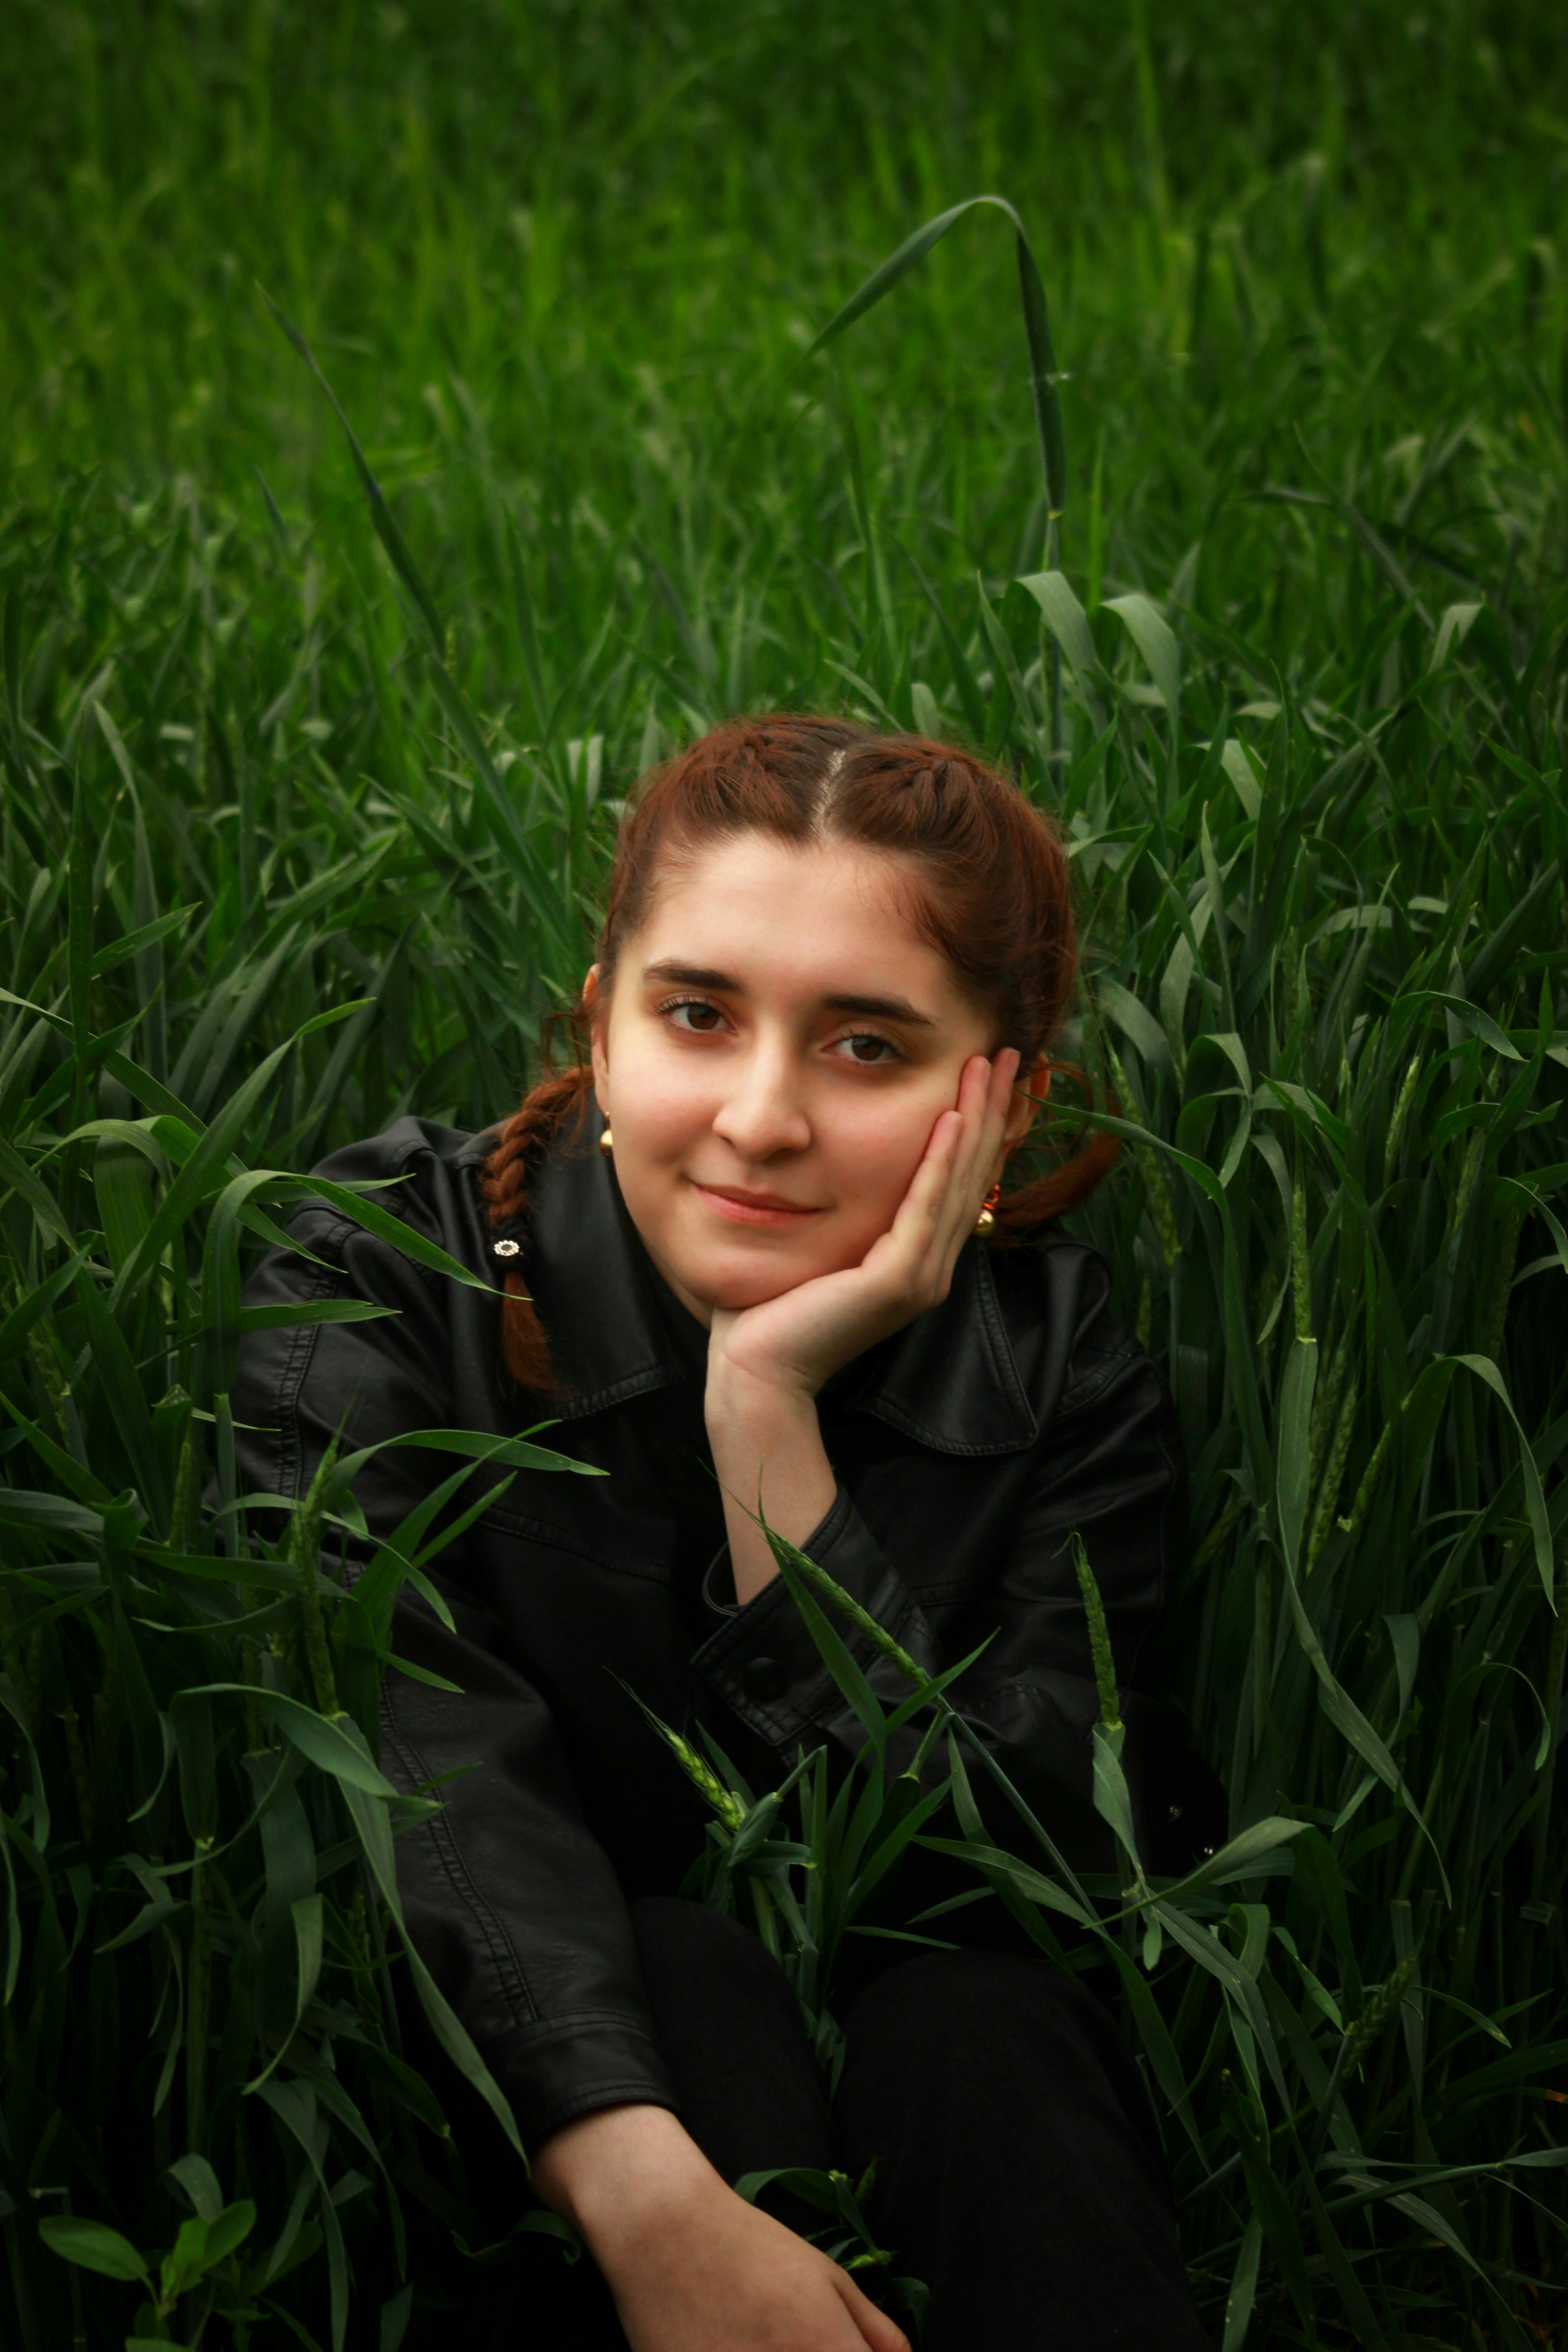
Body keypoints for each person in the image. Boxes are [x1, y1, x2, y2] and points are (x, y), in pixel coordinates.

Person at [233, 716, 1221, 2351]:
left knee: (982, 2029)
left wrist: (769, 1425)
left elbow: (1042, 1876)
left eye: (865, 1048)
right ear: (604, 1032)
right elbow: (409, 1749)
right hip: (538, 2099)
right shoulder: (379, 1276)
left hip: (969, 2064)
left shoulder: (1060, 1370)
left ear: (1006, 1100)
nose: (760, 1119)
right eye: (699, 1014)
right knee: (681, 1972)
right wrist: (650, 2196)